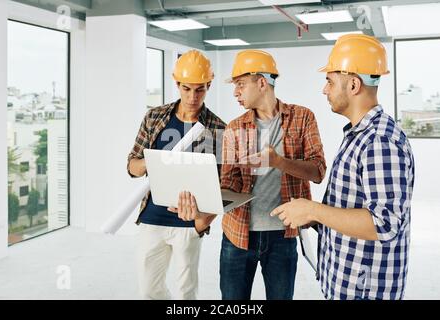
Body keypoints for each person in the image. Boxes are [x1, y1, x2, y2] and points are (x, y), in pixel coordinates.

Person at [271, 34, 415, 300]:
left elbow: (383, 224)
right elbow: (354, 206)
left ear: (353, 84)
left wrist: (314, 209)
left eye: (329, 80)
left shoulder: (379, 141)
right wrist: (312, 215)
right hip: (349, 283)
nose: (324, 89)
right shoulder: (360, 134)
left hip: (364, 291)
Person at [219, 49, 326, 300]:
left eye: (241, 85)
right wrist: (209, 196)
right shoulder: (235, 127)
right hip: (237, 234)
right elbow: (228, 181)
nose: (236, 92)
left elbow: (318, 171)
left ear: (262, 83)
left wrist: (278, 161)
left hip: (282, 235)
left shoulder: (302, 118)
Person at [127, 50, 226, 300]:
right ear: (177, 84)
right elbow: (131, 166)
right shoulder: (155, 117)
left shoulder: (217, 128)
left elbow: (222, 185)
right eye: (186, 89)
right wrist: (154, 162)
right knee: (148, 290)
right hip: (152, 218)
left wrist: (202, 223)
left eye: (200, 89)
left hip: (188, 222)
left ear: (209, 86)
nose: (193, 97)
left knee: (186, 292)